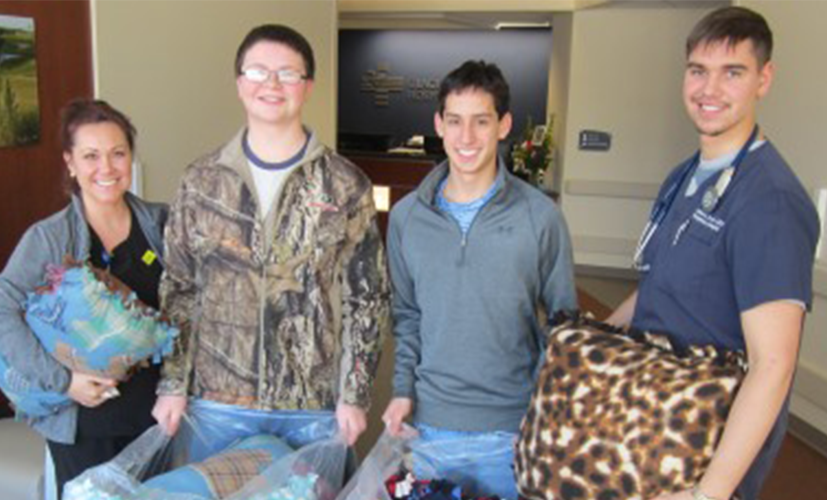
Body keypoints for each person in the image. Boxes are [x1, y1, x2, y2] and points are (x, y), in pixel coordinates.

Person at [606, 7, 820, 500]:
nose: (709, 90)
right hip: (647, 419)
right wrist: (591, 340)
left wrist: (710, 491)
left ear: (763, 79)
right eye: (698, 70)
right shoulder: (684, 176)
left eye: (733, 73)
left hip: (701, 445)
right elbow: (657, 287)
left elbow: (774, 364)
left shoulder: (771, 202)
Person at [152, 24, 389, 453]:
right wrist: (172, 383)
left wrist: (354, 395)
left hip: (310, 407)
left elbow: (366, 298)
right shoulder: (201, 182)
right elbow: (179, 288)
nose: (272, 84)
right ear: (240, 83)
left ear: (308, 86)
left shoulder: (345, 185)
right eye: (259, 72)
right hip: (217, 402)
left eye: (288, 73)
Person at [382, 60, 577, 499]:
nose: (466, 138)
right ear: (439, 124)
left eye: (481, 121)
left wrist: (547, 419)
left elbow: (564, 329)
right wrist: (400, 392)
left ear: (503, 125)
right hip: (429, 431)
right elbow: (407, 317)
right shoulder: (406, 218)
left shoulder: (540, 217)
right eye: (454, 121)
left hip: (512, 431)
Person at [0, 99, 168, 497]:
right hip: (84, 428)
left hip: (157, 422)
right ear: (70, 163)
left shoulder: (162, 224)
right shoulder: (48, 237)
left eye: (118, 153)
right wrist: (64, 381)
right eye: (91, 156)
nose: (107, 168)